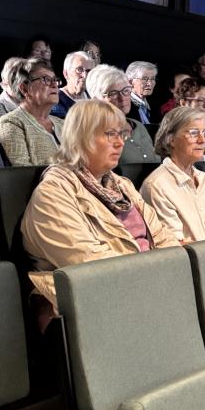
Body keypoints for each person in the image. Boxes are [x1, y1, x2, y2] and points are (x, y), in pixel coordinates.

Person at [21, 100, 178, 311]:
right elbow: (91, 262)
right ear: (81, 137)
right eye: (110, 134)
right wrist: (157, 277)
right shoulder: (53, 192)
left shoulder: (122, 185)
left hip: (146, 284)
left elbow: (161, 235)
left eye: (121, 134)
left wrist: (176, 270)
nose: (120, 143)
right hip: (95, 300)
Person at [139, 106, 205, 244]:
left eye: (204, 133)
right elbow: (174, 246)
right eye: (193, 133)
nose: (203, 140)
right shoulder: (157, 186)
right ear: (171, 139)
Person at [0, 58, 63, 166]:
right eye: (46, 79)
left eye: (55, 80)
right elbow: (22, 175)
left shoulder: (63, 124)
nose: (54, 85)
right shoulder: (10, 123)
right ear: (24, 89)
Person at [85, 64, 158, 162]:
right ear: (96, 100)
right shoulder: (93, 133)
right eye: (113, 93)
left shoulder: (138, 126)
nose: (122, 98)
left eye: (126, 90)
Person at [51, 50, 95, 118]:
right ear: (66, 74)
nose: (85, 75)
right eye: (79, 70)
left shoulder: (94, 97)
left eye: (89, 71)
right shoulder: (55, 101)